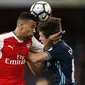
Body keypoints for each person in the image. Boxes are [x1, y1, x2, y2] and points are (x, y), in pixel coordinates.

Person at [0, 12, 63, 85]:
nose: (34, 30)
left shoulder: (30, 41)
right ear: (21, 25)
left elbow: (44, 50)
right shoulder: (2, 39)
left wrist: (51, 41)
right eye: (32, 27)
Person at [27, 17, 76, 85]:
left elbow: (33, 59)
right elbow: (37, 71)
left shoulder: (60, 48)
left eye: (41, 36)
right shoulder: (51, 49)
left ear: (50, 36)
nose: (39, 39)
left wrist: (24, 46)